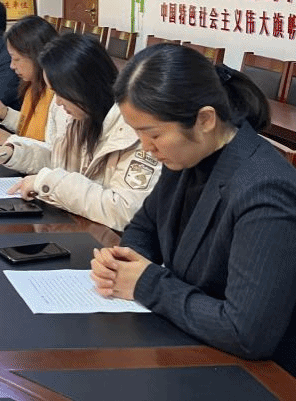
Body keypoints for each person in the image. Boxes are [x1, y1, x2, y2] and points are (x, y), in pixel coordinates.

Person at [91, 44, 296, 375]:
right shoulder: (187, 155)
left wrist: (147, 283)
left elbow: (247, 333)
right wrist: (121, 263)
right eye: (138, 133)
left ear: (205, 119)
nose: (146, 147)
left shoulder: (264, 188)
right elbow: (144, 228)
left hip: (258, 374)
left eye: (153, 134)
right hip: (192, 341)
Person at [0, 33, 157, 231]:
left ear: (84, 86)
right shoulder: (83, 117)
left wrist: (49, 182)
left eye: (61, 94)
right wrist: (15, 153)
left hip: (110, 240)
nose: (58, 103)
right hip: (81, 229)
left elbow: (124, 210)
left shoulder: (134, 130)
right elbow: (59, 159)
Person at [0, 15, 58, 146]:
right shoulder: (33, 86)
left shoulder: (59, 97)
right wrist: (4, 113)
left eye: (16, 59)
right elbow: (31, 127)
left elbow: (54, 150)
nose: (12, 66)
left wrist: (11, 140)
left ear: (36, 56)